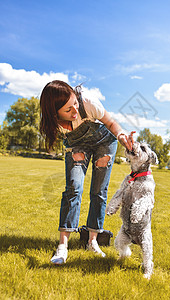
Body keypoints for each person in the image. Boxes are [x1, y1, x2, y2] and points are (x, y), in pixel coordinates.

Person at [40, 80, 135, 264]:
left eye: (75, 103)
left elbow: (110, 122)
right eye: (68, 110)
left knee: (99, 191)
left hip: (104, 143)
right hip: (77, 145)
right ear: (54, 113)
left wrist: (122, 136)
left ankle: (92, 241)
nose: (75, 111)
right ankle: (63, 246)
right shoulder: (53, 124)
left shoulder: (89, 102)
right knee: (73, 188)